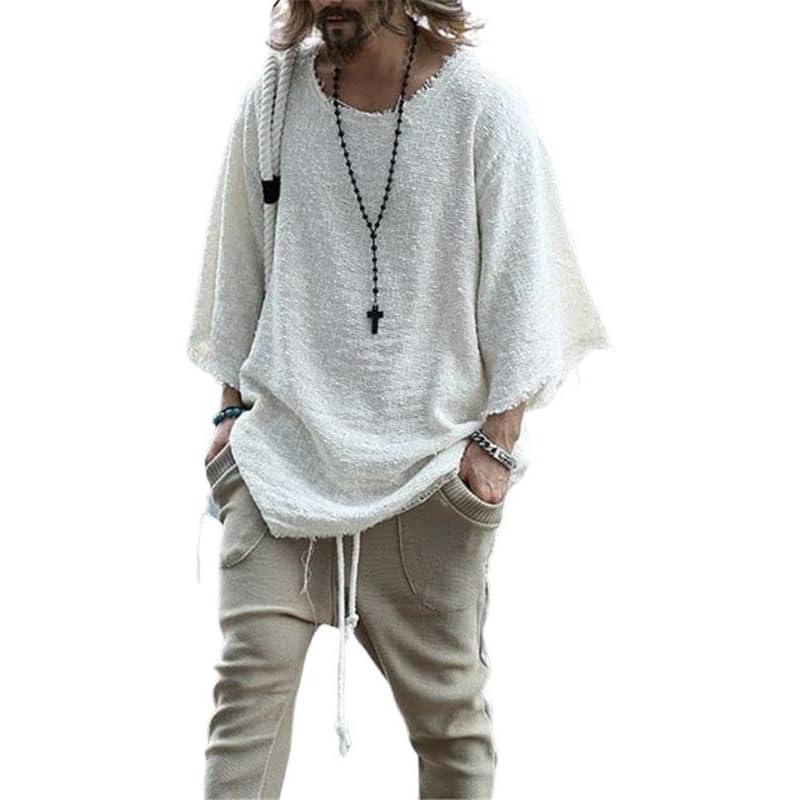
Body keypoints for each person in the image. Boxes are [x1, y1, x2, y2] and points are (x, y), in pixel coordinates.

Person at [186, 1, 608, 798]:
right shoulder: (273, 101)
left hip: (428, 481)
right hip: (279, 473)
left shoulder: (483, 108)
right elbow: (236, 267)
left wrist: (492, 454)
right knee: (244, 710)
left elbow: (525, 291)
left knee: (450, 730)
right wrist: (230, 412)